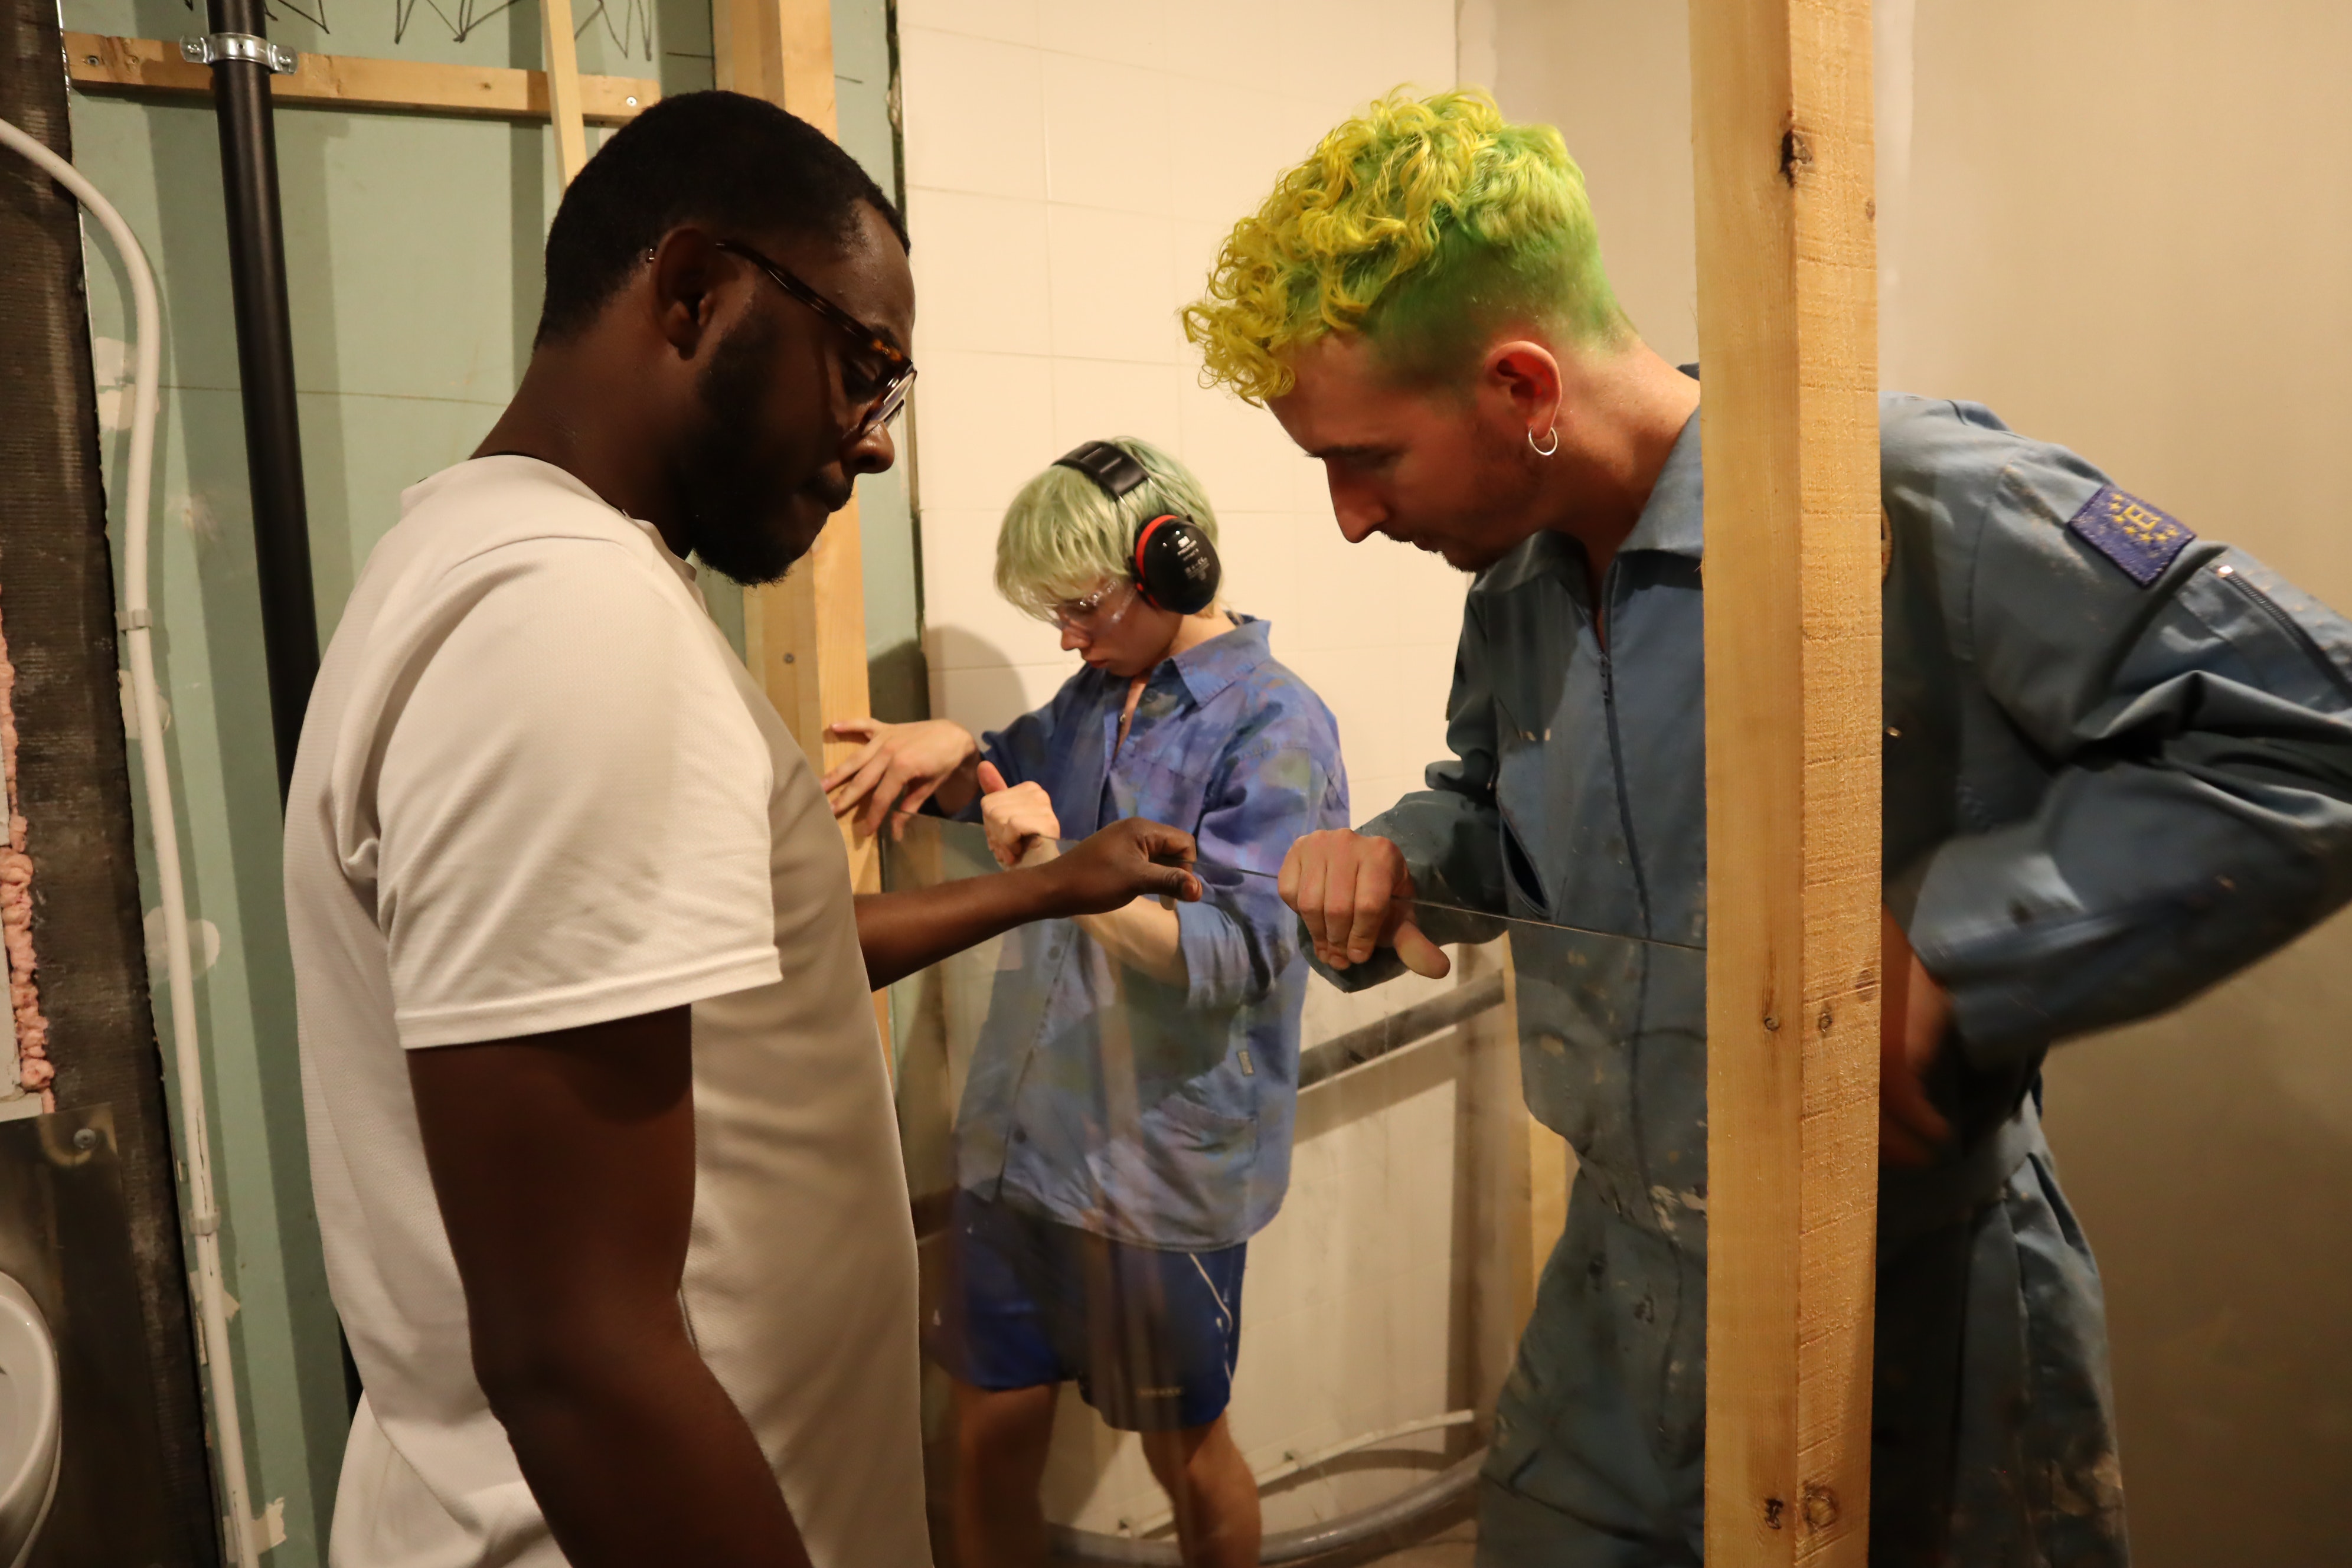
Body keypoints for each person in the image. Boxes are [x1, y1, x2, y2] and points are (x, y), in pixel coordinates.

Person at [1178, 88, 2352, 1567]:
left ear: (1525, 387)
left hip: (1912, 1317)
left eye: (1367, 460)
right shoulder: (1522, 584)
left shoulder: (1903, 499)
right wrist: (1403, 852)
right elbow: (1500, 805)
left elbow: (2308, 732)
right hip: (1615, 1299)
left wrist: (1957, 946)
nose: (1349, 517)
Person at [282, 95, 1200, 1568]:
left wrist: (1046, 891)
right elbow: (580, 1353)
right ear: (698, 291)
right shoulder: (571, 627)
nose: (877, 440)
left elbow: (754, 970)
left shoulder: (497, 569)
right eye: (865, 366)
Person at [822, 437, 1348, 1568]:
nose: (1065, 635)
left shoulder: (1275, 725)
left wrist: (1061, 865)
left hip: (1156, 1173)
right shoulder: (1098, 694)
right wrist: (956, 748)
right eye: (1051, 614)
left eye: (1082, 606)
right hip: (1020, 1150)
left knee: (1186, 1457)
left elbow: (1235, 955)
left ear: (1171, 564)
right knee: (985, 1435)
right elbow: (1011, 781)